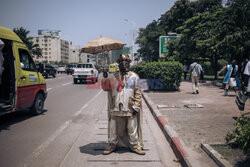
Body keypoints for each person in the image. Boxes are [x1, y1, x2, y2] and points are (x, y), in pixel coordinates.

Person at [102, 54, 145, 155]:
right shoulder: (112, 76)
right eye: (121, 64)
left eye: (126, 63)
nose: (124, 65)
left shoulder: (134, 77)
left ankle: (134, 145)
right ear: (118, 65)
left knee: (132, 127)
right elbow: (105, 88)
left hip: (129, 107)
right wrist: (105, 78)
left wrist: (136, 106)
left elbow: (138, 93)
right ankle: (112, 144)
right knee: (113, 127)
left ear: (129, 65)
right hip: (115, 107)